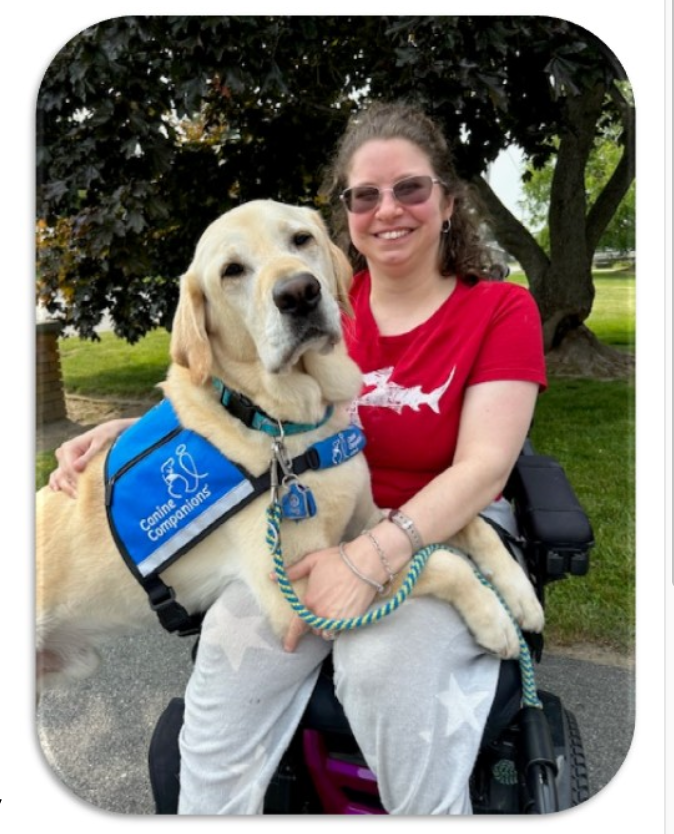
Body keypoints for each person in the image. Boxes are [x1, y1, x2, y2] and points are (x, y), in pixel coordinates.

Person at [48, 101, 546, 815]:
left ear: (447, 199)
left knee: (382, 667)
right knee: (228, 680)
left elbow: (484, 470)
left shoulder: (498, 310)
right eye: (365, 195)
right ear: (345, 219)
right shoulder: (317, 296)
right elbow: (239, 394)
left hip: (439, 524)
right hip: (309, 533)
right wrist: (135, 430)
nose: (389, 210)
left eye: (411, 187)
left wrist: (371, 556)